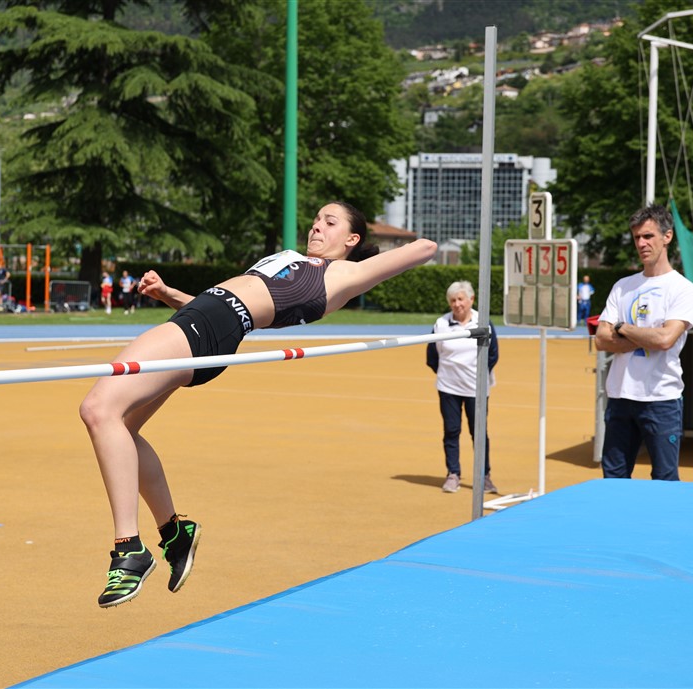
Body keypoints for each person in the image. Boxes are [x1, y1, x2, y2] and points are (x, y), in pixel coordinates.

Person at [79, 201, 437, 608]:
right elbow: (231, 306)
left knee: (98, 410)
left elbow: (425, 247)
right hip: (202, 322)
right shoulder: (296, 260)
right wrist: (170, 294)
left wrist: (369, 263)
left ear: (352, 239)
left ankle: (129, 550)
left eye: (330, 222)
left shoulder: (343, 274)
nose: (316, 227)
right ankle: (175, 533)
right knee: (122, 427)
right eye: (316, 220)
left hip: (205, 328)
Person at [594, 203, 693, 481]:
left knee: (664, 479)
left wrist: (622, 328)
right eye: (637, 237)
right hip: (620, 397)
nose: (641, 243)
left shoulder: (683, 289)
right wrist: (644, 337)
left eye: (648, 236)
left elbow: (664, 339)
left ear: (667, 236)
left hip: (661, 399)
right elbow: (601, 340)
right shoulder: (622, 286)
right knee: (613, 479)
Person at [426, 281, 499, 495]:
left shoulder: (483, 322)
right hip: (448, 387)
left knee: (479, 432)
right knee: (451, 430)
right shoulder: (441, 324)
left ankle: (484, 476)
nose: (457, 304)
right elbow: (432, 356)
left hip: (477, 388)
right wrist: (448, 375)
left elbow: (493, 354)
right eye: (453, 300)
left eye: (460, 299)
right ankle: (453, 474)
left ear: (471, 300)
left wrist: (478, 376)